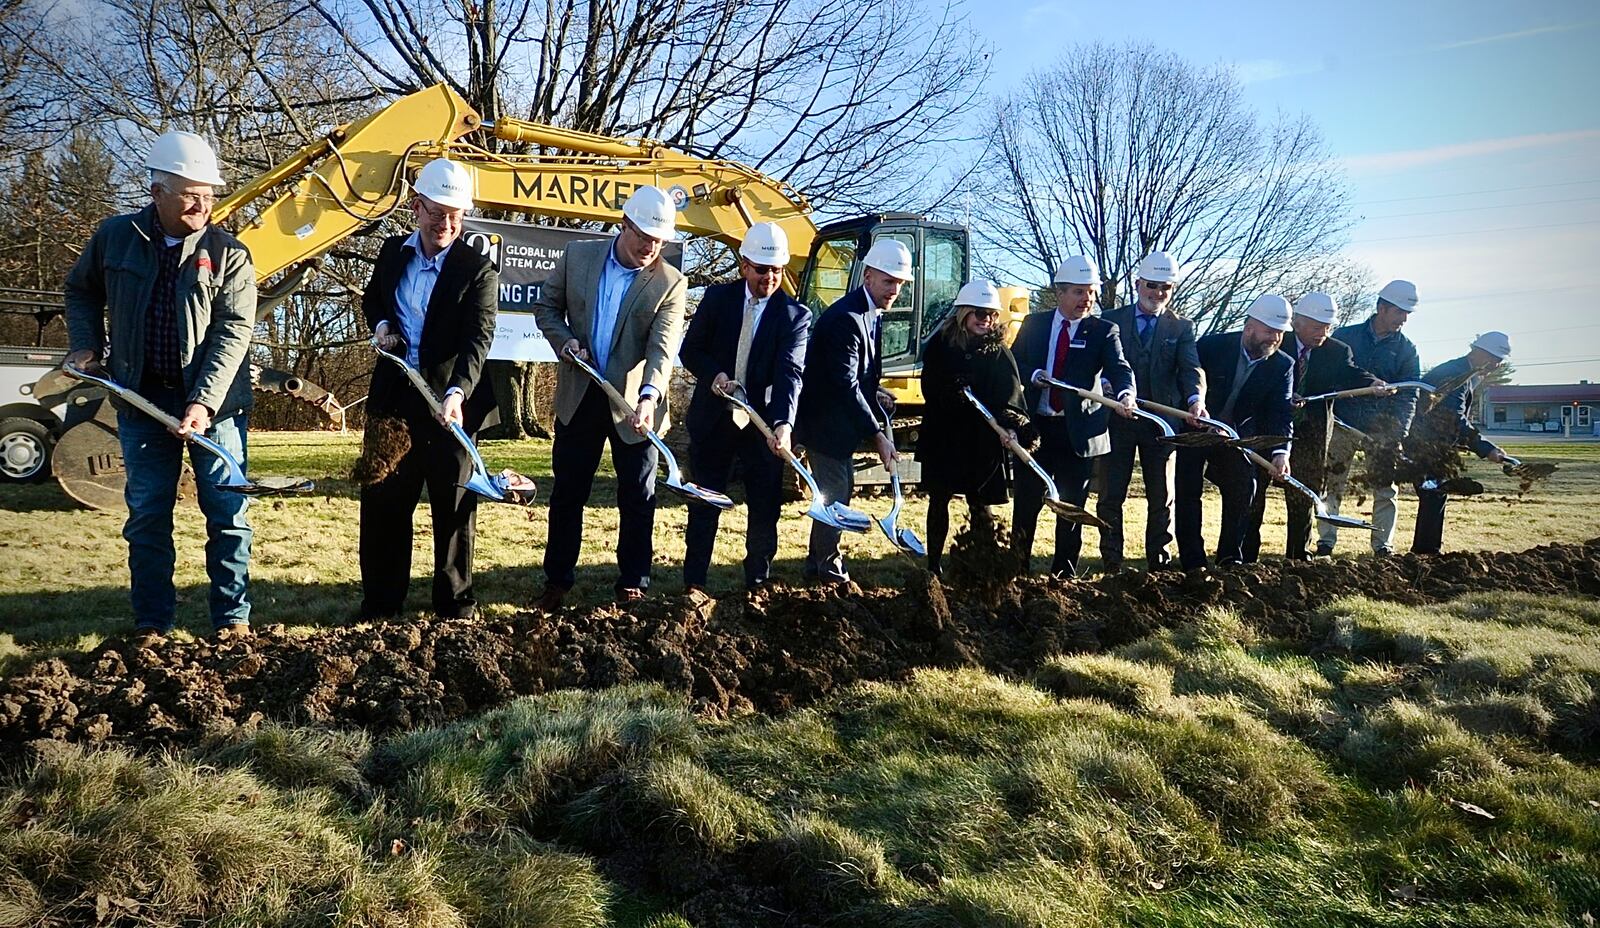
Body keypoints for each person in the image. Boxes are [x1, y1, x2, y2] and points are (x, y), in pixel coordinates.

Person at [63, 130, 257, 641]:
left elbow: (233, 330)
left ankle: (232, 622)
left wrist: (203, 402)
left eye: (210, 194)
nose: (203, 204)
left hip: (216, 410)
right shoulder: (115, 237)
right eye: (191, 193)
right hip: (141, 401)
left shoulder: (229, 253)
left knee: (228, 514)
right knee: (148, 515)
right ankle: (152, 623)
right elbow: (81, 291)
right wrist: (86, 343)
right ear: (158, 192)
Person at [357, 158, 499, 621]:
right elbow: (373, 298)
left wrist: (457, 393)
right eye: (437, 213)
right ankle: (381, 603)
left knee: (454, 506)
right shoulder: (392, 252)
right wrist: (381, 325)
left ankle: (455, 604)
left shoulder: (477, 269)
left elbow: (478, 339)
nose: (447, 224)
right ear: (416, 207)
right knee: (383, 504)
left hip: (449, 407)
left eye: (456, 216)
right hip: (393, 405)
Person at [534, 186, 687, 607]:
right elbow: (546, 308)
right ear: (624, 225)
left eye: (659, 242)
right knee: (568, 492)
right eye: (644, 238)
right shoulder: (578, 257)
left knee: (638, 496)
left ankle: (633, 581)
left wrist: (650, 397)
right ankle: (557, 580)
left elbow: (662, 349)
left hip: (635, 406)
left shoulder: (670, 284)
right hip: (579, 395)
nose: (650, 248)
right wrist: (564, 341)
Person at [679, 223, 810, 594]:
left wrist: (783, 423)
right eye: (761, 269)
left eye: (776, 270)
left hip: (762, 427)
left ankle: (757, 584)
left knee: (765, 508)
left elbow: (790, 373)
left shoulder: (795, 316)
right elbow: (690, 351)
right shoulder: (717, 300)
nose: (768, 277)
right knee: (704, 504)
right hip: (713, 421)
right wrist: (715, 375)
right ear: (744, 265)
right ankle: (694, 585)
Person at [1009, 255, 1136, 577]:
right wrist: (1034, 373)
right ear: (1060, 293)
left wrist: (1125, 394)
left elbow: (1120, 369)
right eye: (1079, 292)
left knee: (1071, 509)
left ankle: (1063, 576)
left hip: (1077, 432)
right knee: (1026, 504)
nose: (1086, 299)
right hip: (1035, 429)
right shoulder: (1034, 325)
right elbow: (1013, 366)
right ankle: (1016, 572)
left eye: (1090, 292)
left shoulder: (1104, 330)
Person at [794, 239, 908, 584]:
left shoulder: (869, 315)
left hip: (838, 424)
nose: (895, 289)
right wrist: (877, 434)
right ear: (869, 276)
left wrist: (877, 393)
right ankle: (827, 568)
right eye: (889, 281)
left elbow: (856, 377)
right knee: (836, 495)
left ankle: (819, 565)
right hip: (823, 424)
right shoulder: (847, 318)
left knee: (839, 492)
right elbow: (844, 383)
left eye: (900, 284)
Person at [1243, 292, 1387, 561]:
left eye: (1328, 326)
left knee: (1303, 493)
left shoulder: (1337, 351)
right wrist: (1285, 399)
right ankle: (1247, 554)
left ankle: (1298, 554)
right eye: (1318, 326)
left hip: (1311, 434)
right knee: (1255, 492)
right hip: (1267, 430)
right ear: (1297, 322)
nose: (1323, 332)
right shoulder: (1274, 341)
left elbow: (1350, 372)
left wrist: (1372, 384)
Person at [917, 279, 1032, 577]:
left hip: (981, 440)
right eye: (979, 313)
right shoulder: (940, 346)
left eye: (991, 314)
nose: (986, 320)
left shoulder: (997, 352)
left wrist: (1011, 422)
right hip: (944, 435)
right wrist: (949, 392)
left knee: (980, 503)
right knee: (939, 498)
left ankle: (984, 567)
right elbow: (929, 386)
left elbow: (1010, 395)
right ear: (963, 313)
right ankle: (933, 566)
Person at [1097, 251, 1203, 570]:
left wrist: (1195, 399)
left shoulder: (1181, 327)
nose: (1158, 293)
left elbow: (1190, 369)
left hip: (1162, 424)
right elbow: (1098, 362)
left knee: (1161, 496)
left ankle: (1159, 559)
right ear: (1138, 283)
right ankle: (1112, 560)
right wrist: (1102, 383)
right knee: (1112, 493)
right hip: (1118, 419)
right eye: (1152, 285)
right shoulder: (1111, 319)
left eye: (1165, 288)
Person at [1174, 295, 1295, 571]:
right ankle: (1193, 561)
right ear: (1249, 326)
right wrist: (1193, 408)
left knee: (1245, 485)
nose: (1274, 338)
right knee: (1187, 490)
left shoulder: (1282, 365)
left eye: (1279, 333)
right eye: (1269, 331)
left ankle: (1230, 558)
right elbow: (1186, 379)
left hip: (1234, 438)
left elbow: (1280, 411)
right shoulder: (1212, 346)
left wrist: (1280, 452)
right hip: (1195, 429)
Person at [1319, 279, 1422, 556]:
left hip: (1383, 429)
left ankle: (1382, 544)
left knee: (1386, 488)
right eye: (1399, 312)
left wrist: (1397, 432)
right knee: (1332, 482)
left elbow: (1409, 394)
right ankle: (1326, 541)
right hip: (1343, 423)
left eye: (1407, 314)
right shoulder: (1346, 337)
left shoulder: (1406, 350)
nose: (1403, 319)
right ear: (1382, 308)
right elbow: (1329, 377)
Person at [1407, 332, 1511, 555]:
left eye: (1500, 361)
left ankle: (1426, 551)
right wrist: (1486, 449)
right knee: (1433, 493)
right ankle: (1425, 553)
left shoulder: (1465, 372)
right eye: (1493, 358)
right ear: (1477, 350)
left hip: (1432, 442)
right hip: (1423, 443)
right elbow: (1454, 419)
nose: (1496, 364)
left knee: (1434, 493)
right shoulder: (1457, 375)